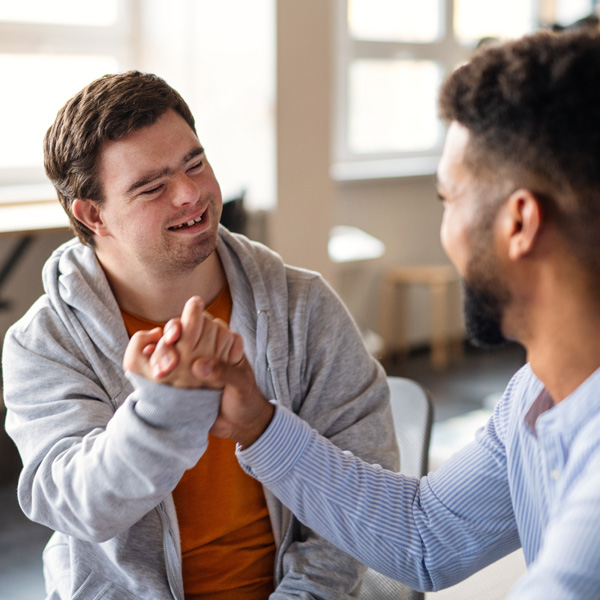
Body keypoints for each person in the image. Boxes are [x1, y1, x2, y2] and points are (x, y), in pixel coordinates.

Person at [135, 28, 600, 598]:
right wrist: (257, 423)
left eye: (447, 198)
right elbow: (426, 537)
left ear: (520, 223)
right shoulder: (536, 394)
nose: (444, 226)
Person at [1, 71, 399, 599]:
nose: (191, 194)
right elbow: (80, 505)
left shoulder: (303, 307)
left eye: (195, 163)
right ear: (94, 214)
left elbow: (358, 497)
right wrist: (166, 411)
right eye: (152, 186)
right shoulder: (44, 342)